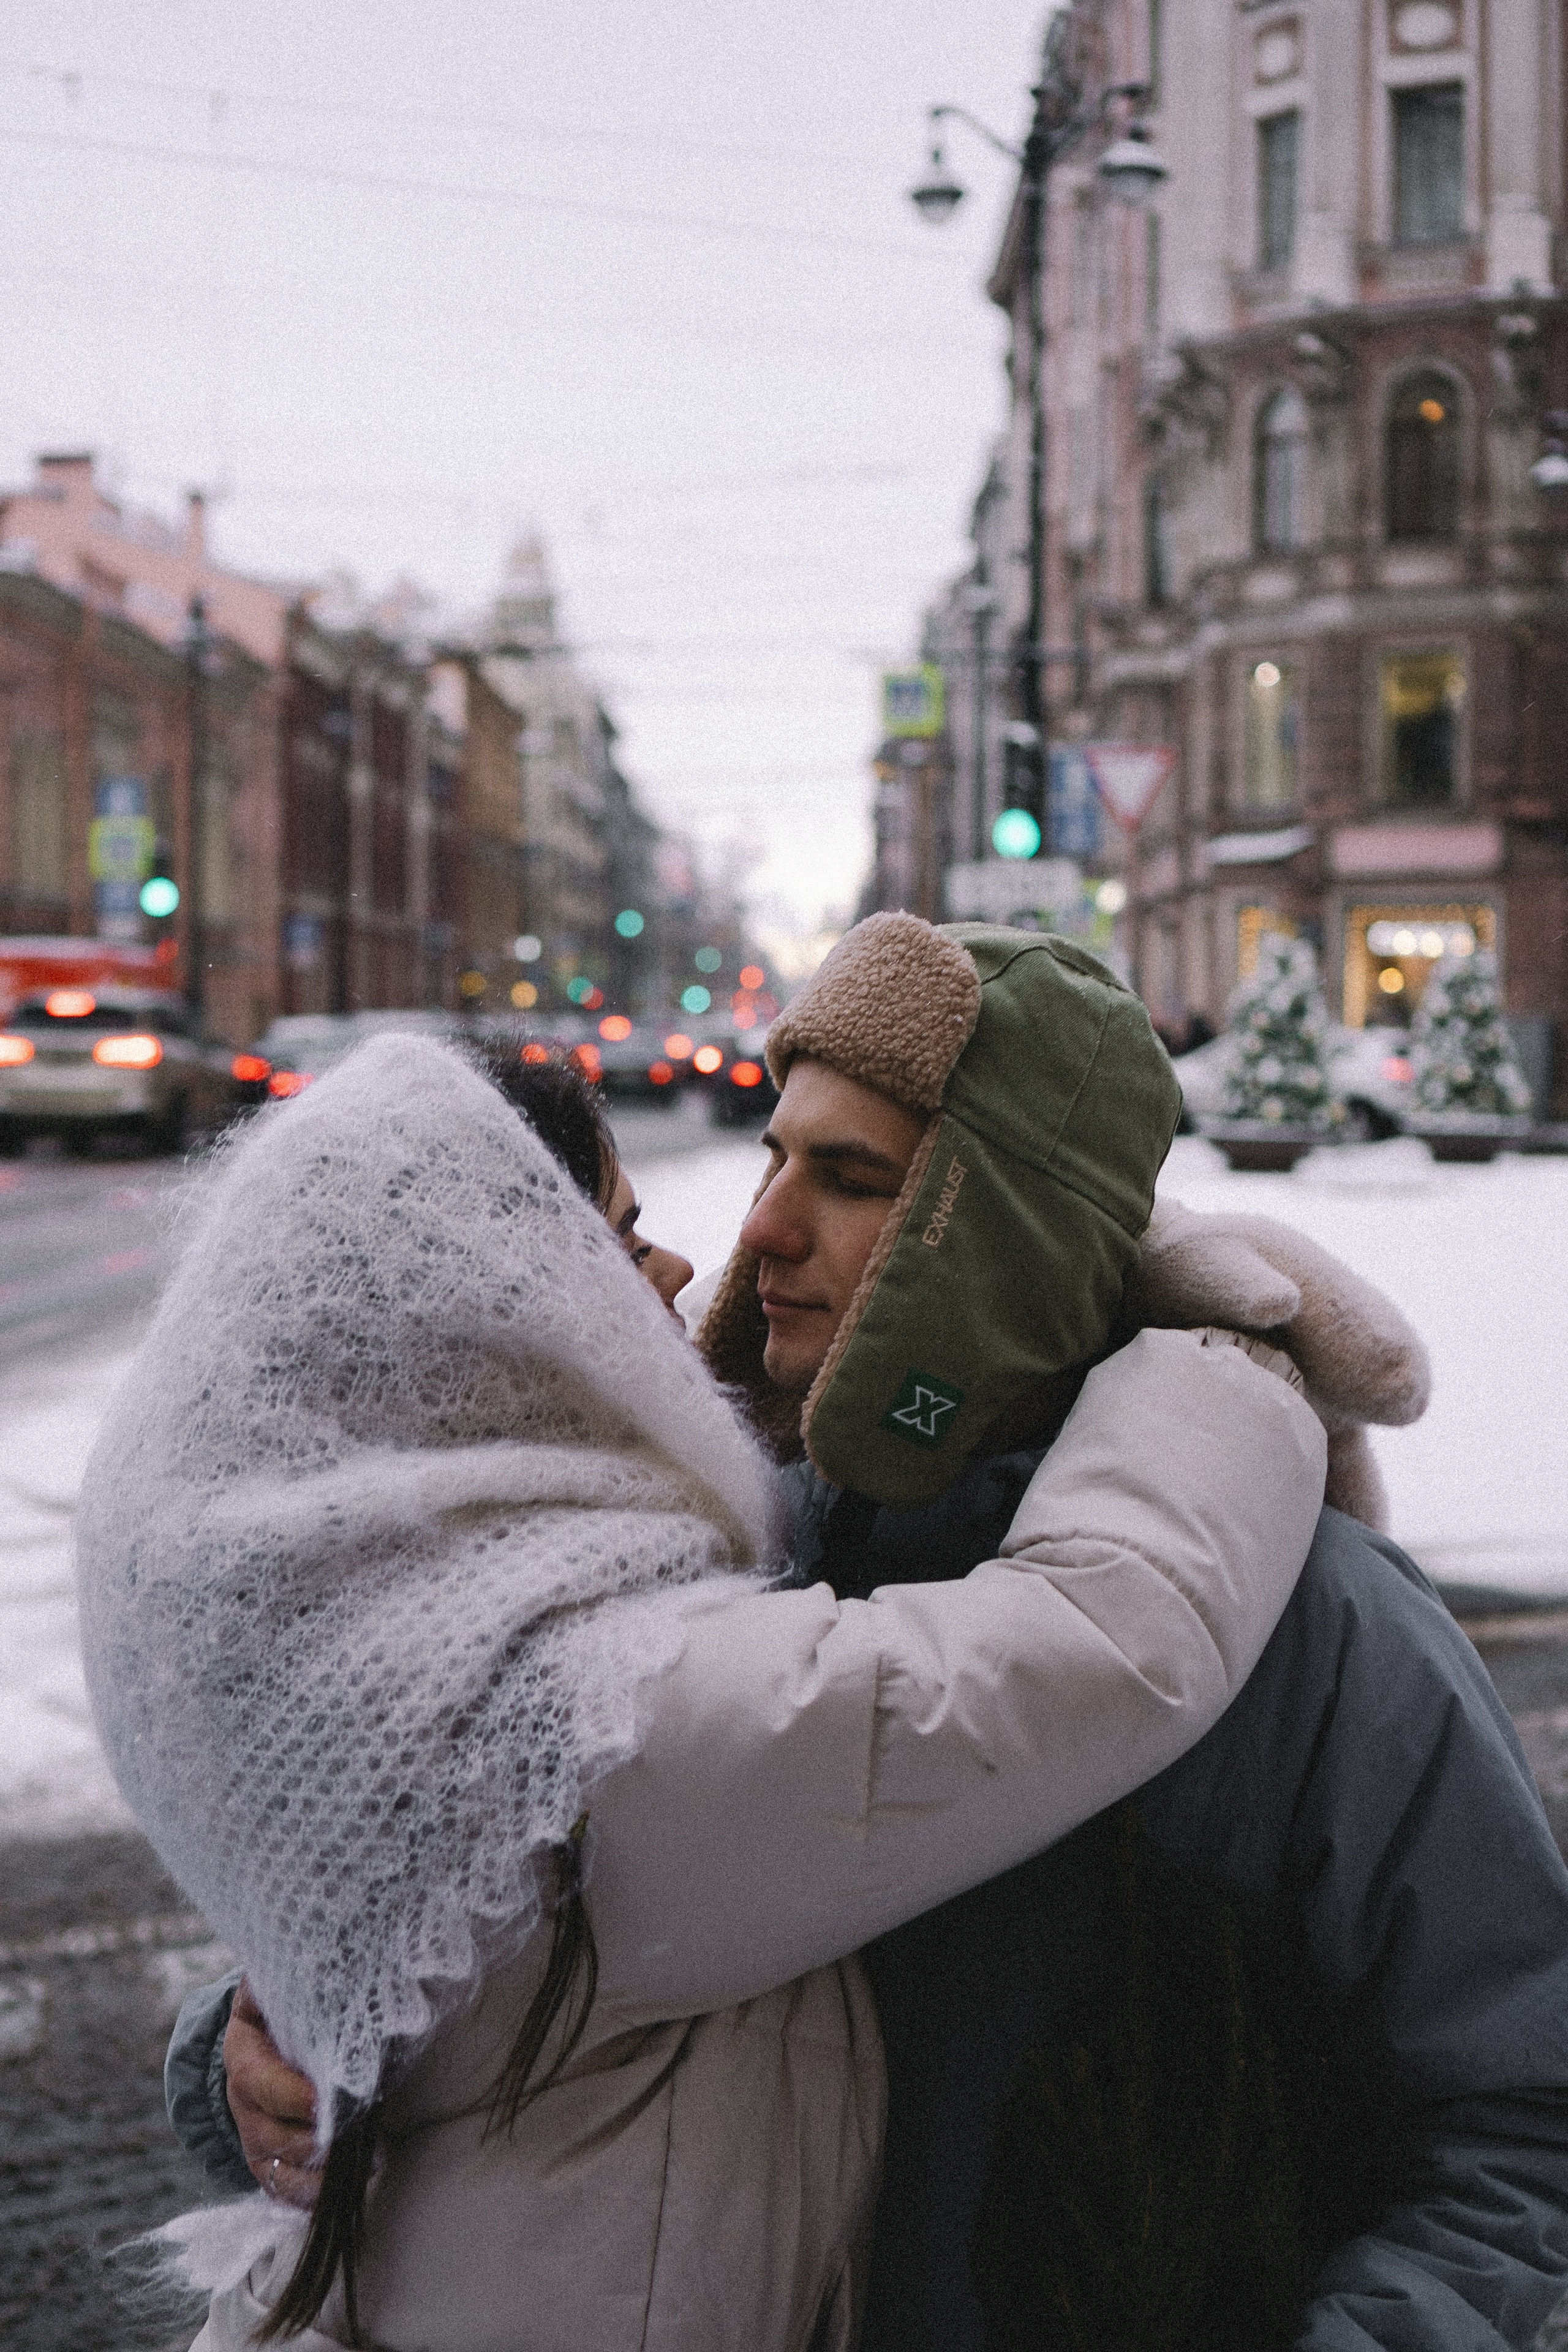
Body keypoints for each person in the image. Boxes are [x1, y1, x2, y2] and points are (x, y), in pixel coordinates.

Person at [209, 913, 1568, 2348]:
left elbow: (1520, 2128)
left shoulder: (1317, 1630)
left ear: (1002, 1244)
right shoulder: (715, 1569)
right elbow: (515, 1950)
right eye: (771, 1159)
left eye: (849, 1180)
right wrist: (261, 2045)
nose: (760, 1231)